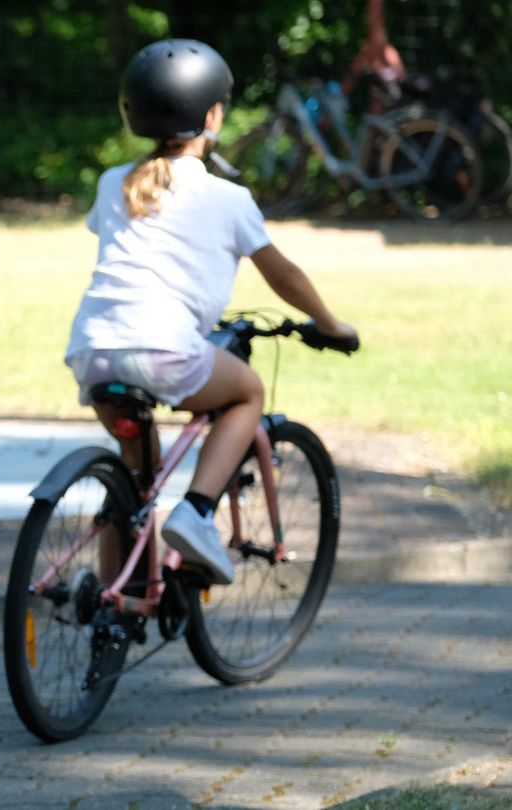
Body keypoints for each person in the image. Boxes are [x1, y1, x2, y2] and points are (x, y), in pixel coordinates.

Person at [66, 39, 358, 585]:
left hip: (91, 349)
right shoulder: (227, 198)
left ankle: (118, 604)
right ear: (213, 114)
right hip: (162, 348)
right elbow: (283, 274)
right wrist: (329, 322)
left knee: (134, 483)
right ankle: (198, 514)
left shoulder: (113, 185)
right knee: (246, 391)